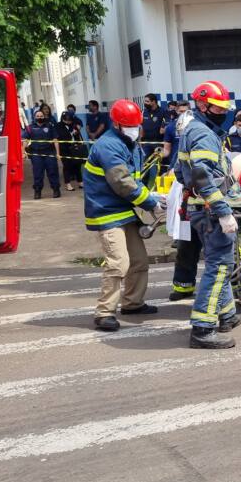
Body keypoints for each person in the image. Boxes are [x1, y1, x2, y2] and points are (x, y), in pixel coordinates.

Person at [174, 79, 241, 349]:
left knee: (219, 261)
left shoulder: (193, 130)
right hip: (211, 210)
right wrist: (224, 211)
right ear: (202, 105)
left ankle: (227, 315)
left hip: (199, 208)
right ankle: (202, 328)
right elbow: (202, 176)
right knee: (218, 266)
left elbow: (182, 173)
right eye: (218, 107)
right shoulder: (203, 133)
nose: (223, 112)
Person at [83, 99, 162, 332]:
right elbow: (123, 183)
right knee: (119, 262)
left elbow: (135, 180)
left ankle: (132, 303)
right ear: (116, 124)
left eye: (137, 125)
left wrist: (152, 199)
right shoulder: (108, 146)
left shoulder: (131, 144)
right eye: (129, 126)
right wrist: (151, 203)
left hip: (124, 210)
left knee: (138, 260)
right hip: (106, 212)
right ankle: (104, 313)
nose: (134, 129)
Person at [22, 108, 61, 199]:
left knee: (53, 171)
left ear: (44, 117)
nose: (40, 117)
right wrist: (23, 152)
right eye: (38, 116)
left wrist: (58, 153)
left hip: (49, 152)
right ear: (34, 117)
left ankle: (56, 189)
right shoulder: (30, 127)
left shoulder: (50, 126)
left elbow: (56, 140)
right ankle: (37, 191)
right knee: (38, 173)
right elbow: (25, 140)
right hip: (36, 154)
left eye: (41, 116)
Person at [56, 111, 87, 190]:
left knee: (77, 165)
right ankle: (68, 184)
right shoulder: (58, 126)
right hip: (64, 149)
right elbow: (61, 137)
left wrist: (76, 132)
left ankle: (80, 182)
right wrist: (72, 133)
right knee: (67, 166)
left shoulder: (74, 125)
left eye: (69, 119)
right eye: (66, 119)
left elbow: (78, 135)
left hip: (75, 148)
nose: (68, 121)